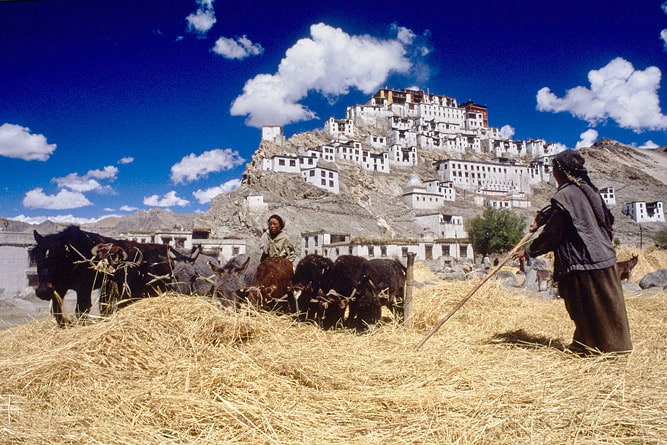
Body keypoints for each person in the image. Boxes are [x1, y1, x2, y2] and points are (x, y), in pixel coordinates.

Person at [517, 150, 632, 355]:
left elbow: (553, 234)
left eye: (553, 169)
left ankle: (592, 348)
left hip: (582, 262)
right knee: (608, 306)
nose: (552, 173)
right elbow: (608, 220)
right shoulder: (590, 190)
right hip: (604, 256)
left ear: (560, 172)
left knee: (583, 307)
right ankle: (610, 347)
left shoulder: (564, 196)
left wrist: (530, 251)